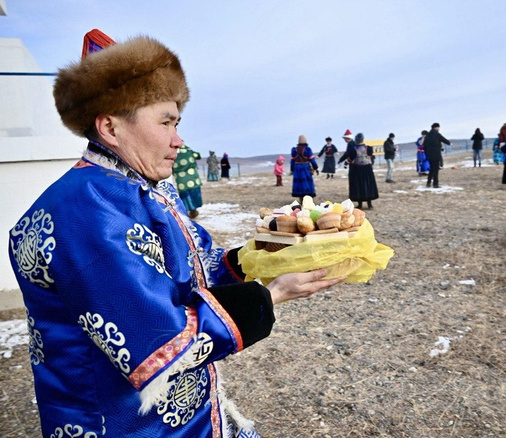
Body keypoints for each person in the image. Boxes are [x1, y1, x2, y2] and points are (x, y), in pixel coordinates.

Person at [7, 30, 344, 438]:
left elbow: (196, 266)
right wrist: (270, 295)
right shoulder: (85, 211)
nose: (178, 139)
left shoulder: (141, 187)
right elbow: (157, 341)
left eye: (177, 122)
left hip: (188, 416)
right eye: (165, 122)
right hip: (125, 426)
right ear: (110, 127)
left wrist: (270, 251)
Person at [338, 132, 378, 209]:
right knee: (368, 185)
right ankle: (369, 204)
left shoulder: (353, 149)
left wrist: (345, 163)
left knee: (359, 186)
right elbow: (372, 157)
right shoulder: (369, 148)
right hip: (368, 169)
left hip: (357, 169)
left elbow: (350, 159)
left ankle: (360, 204)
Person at [173, 143, 203, 219]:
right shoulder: (189, 152)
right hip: (192, 178)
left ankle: (187, 209)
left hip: (181, 180)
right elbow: (198, 156)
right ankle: (194, 210)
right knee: (194, 194)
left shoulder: (173, 154)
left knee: (185, 195)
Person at [291, 134, 319, 201]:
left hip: (297, 168)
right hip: (305, 167)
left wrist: (292, 169)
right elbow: (312, 160)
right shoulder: (308, 150)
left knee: (299, 183)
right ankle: (308, 198)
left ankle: (301, 198)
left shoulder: (294, 150)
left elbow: (292, 161)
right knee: (306, 183)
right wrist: (315, 167)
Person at [423, 123, 450, 188]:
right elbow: (444, 139)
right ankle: (435, 184)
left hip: (429, 155)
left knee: (431, 169)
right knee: (435, 170)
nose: (438, 129)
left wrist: (427, 154)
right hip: (436, 154)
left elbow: (424, 146)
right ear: (436, 127)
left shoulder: (427, 136)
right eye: (438, 127)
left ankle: (428, 183)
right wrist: (449, 143)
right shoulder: (437, 134)